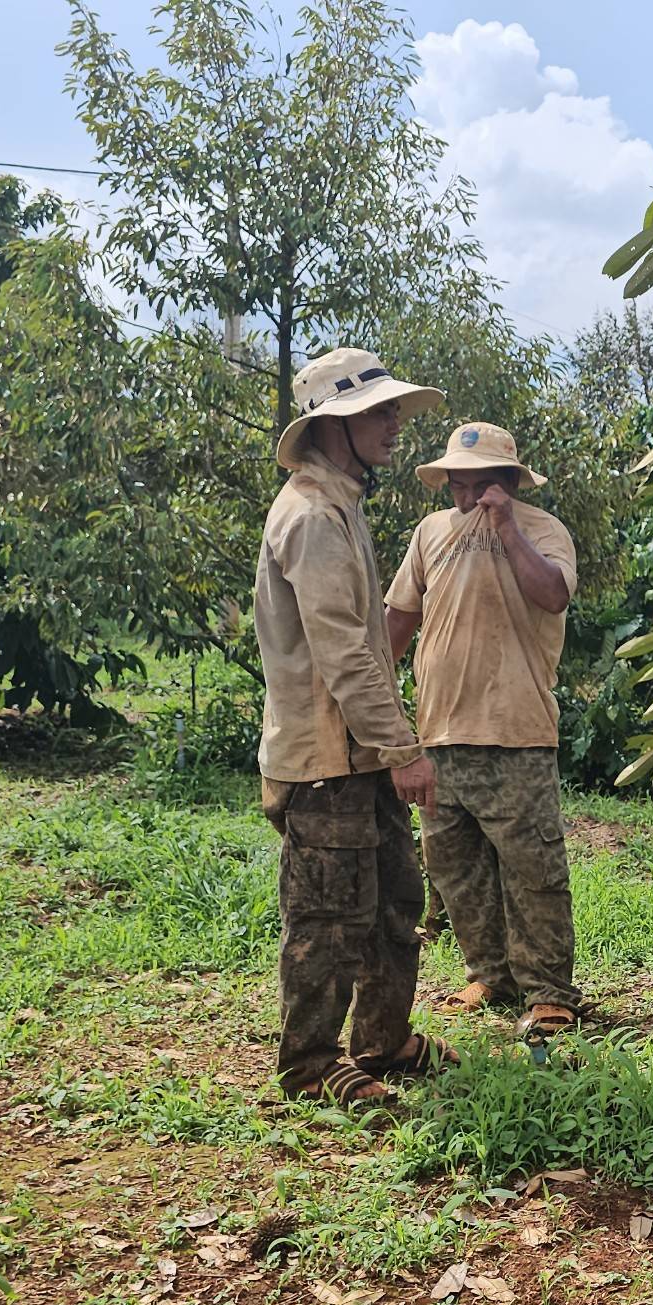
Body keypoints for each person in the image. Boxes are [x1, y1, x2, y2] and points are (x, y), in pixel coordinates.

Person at [254, 347, 457, 1109]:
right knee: (328, 916)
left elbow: (362, 642)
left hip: (357, 751)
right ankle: (309, 1061)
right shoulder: (310, 516)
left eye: (391, 408)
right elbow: (342, 649)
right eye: (378, 410)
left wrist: (387, 743)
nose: (395, 421)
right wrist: (402, 745)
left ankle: (382, 1039)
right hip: (322, 760)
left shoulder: (341, 504)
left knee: (395, 896)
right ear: (333, 424)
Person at [385, 422, 582, 1041]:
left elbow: (551, 595)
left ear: (509, 483)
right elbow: (399, 618)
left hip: (517, 731)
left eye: (482, 486)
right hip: (439, 731)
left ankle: (549, 992)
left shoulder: (542, 531)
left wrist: (506, 528)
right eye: (458, 486)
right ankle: (490, 975)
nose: (468, 498)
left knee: (532, 868)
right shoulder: (431, 533)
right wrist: (367, 698)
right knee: (455, 865)